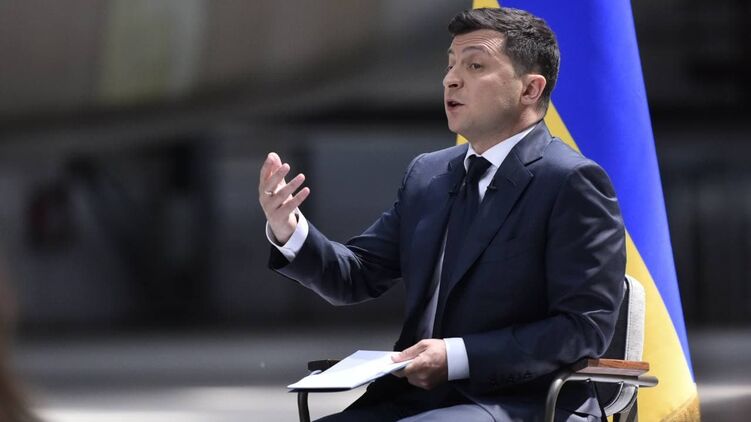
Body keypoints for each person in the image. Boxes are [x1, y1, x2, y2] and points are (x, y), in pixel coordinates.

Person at [258, 7, 625, 422]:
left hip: (522, 402)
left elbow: (583, 328)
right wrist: (289, 229)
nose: (451, 79)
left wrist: (456, 357)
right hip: (414, 398)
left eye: (475, 65)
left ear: (529, 89)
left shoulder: (570, 181)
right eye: (450, 65)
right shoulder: (428, 174)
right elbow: (355, 276)